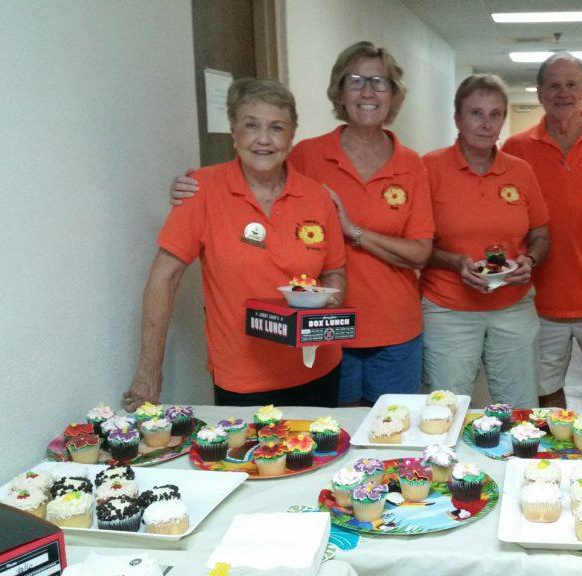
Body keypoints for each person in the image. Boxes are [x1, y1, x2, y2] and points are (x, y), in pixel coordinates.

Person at [170, 42, 434, 407]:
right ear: (340, 91)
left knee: (394, 436)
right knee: (330, 437)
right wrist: (193, 188)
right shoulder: (307, 155)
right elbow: (256, 168)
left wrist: (352, 230)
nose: (368, 91)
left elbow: (421, 253)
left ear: (394, 94)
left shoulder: (411, 164)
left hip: (395, 329)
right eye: (356, 80)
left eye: (380, 81)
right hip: (324, 335)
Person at [124, 78, 347, 410]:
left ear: (291, 135)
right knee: (247, 463)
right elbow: (164, 278)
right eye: (251, 125)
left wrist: (330, 301)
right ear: (233, 130)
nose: (263, 139)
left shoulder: (318, 197)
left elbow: (335, 273)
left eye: (276, 127)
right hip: (242, 380)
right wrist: (148, 372)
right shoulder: (201, 191)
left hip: (317, 369)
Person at [502, 53, 582, 410]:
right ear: (540, 93)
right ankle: (552, 460)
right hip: (539, 300)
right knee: (545, 391)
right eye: (554, 85)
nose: (563, 93)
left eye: (572, 84)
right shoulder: (517, 149)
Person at [421, 74, 550, 408]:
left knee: (520, 407)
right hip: (448, 308)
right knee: (447, 409)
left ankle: (516, 461)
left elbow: (540, 234)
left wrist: (530, 261)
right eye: (476, 113)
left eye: (495, 114)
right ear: (457, 119)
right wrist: (454, 262)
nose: (485, 123)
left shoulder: (520, 171)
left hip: (513, 306)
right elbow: (416, 244)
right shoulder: (428, 169)